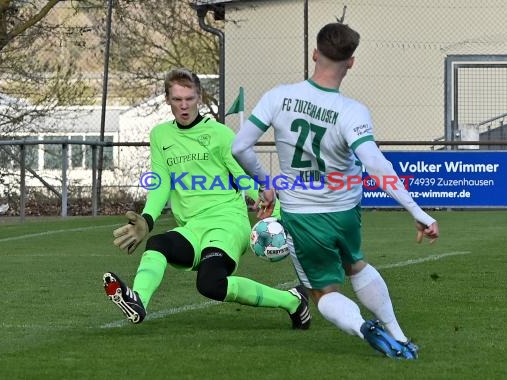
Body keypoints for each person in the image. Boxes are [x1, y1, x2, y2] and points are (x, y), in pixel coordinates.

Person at [231, 23, 439, 359]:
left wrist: (266, 185)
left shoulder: (278, 96)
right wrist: (418, 212)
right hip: (344, 211)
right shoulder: (352, 111)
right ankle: (398, 335)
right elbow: (375, 163)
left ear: (315, 54)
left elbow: (240, 146)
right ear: (351, 62)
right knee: (355, 264)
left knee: (322, 292)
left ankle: (363, 328)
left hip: (302, 215)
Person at [104, 68, 311, 331]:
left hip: (228, 223)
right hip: (192, 228)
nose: (184, 105)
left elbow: (242, 176)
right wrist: (147, 219)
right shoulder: (160, 136)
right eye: (177, 99)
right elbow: (161, 183)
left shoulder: (220, 134)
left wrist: (274, 207)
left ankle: (292, 302)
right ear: (167, 99)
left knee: (210, 284)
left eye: (189, 98)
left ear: (199, 97)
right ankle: (138, 301)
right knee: (158, 243)